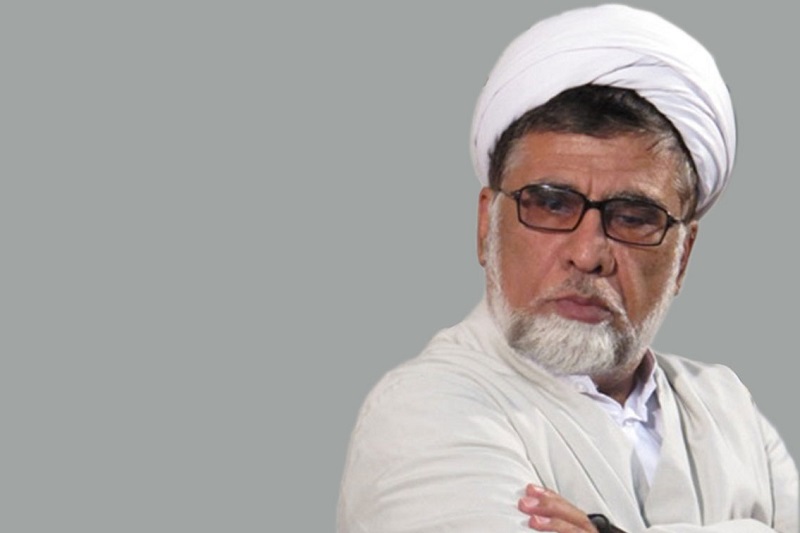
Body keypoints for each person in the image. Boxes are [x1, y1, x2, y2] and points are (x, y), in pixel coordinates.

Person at [337, 5, 798, 533]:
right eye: (552, 205)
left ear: (683, 255)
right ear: (487, 224)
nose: (588, 253)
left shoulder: (724, 404)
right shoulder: (424, 410)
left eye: (633, 217)